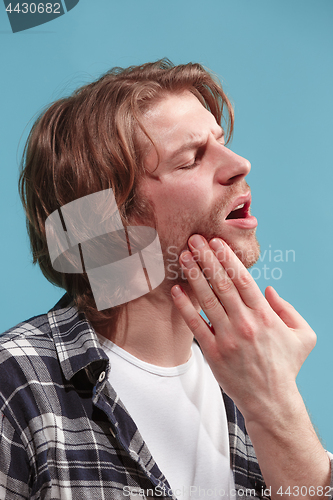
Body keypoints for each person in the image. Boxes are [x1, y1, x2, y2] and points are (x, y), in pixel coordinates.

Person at [0, 59, 331, 499]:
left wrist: (276, 406)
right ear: (109, 223)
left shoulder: (250, 379)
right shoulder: (16, 384)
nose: (240, 164)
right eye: (191, 159)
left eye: (221, 142)